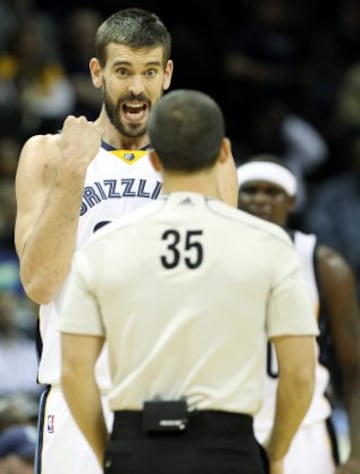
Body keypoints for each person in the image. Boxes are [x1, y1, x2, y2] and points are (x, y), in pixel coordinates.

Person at [14, 8, 238, 474]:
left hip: (174, 397)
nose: (137, 87)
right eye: (122, 71)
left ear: (167, 75)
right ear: (97, 73)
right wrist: (76, 170)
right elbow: (39, 284)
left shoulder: (206, 162)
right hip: (78, 396)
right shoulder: (48, 154)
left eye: (149, 72)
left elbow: (223, 290)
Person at [59, 89, 318, 474]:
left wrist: (107, 455)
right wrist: (275, 453)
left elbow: (73, 372)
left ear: (155, 159)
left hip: (136, 445)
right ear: (224, 152)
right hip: (229, 448)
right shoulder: (269, 245)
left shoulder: (103, 247)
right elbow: (299, 374)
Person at [237, 155, 360, 474]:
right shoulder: (213, 256)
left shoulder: (323, 265)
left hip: (303, 433)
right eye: (251, 191)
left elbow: (355, 368)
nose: (260, 200)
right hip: (232, 429)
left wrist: (357, 454)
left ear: (291, 201)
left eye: (271, 192)